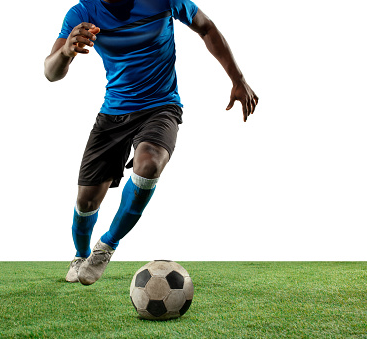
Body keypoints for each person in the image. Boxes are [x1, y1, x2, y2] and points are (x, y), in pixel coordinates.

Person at [44, 0, 258, 285]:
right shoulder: (82, 12)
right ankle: (81, 254)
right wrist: (67, 50)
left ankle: (106, 246)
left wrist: (238, 78)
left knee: (150, 163)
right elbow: (51, 72)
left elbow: (205, 27)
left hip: (161, 107)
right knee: (86, 202)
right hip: (113, 114)